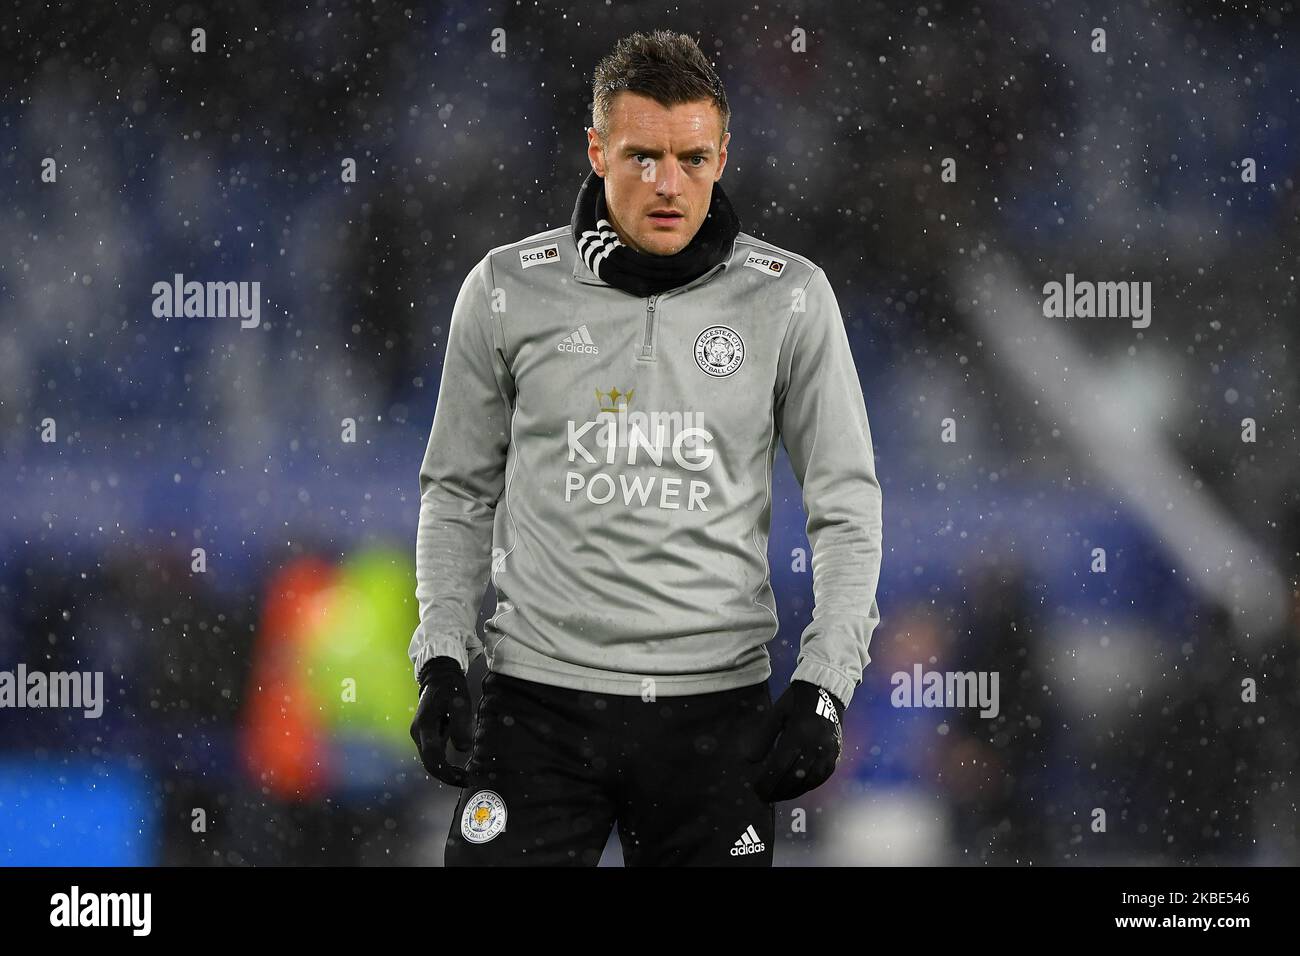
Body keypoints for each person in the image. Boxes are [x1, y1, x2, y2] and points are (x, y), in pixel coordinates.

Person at [408, 29, 883, 866]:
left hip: (715, 715)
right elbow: (456, 492)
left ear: (723, 155)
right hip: (539, 708)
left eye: (694, 159)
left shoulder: (792, 301)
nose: (670, 184)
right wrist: (443, 656)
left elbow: (846, 507)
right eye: (641, 157)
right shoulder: (507, 289)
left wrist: (825, 686)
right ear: (596, 150)